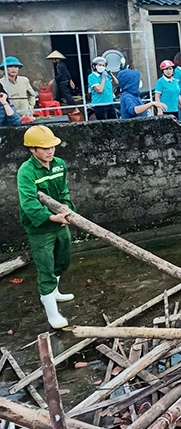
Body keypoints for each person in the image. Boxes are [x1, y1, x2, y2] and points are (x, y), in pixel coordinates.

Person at [17, 126, 75, 329]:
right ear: (32, 150)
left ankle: (54, 292)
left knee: (63, 258)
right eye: (44, 148)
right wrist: (51, 217)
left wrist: (67, 208)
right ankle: (51, 311)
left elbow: (64, 191)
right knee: (45, 267)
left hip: (60, 220)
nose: (50, 151)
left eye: (52, 146)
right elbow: (29, 203)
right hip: (40, 227)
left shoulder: (59, 165)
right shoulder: (26, 171)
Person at [87, 56, 118, 120]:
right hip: (100, 104)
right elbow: (99, 90)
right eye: (100, 65)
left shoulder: (106, 75)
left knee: (114, 122)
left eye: (103, 65)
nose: (102, 67)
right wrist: (103, 79)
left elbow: (116, 83)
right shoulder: (92, 76)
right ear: (94, 66)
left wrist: (111, 74)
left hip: (110, 102)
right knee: (103, 124)